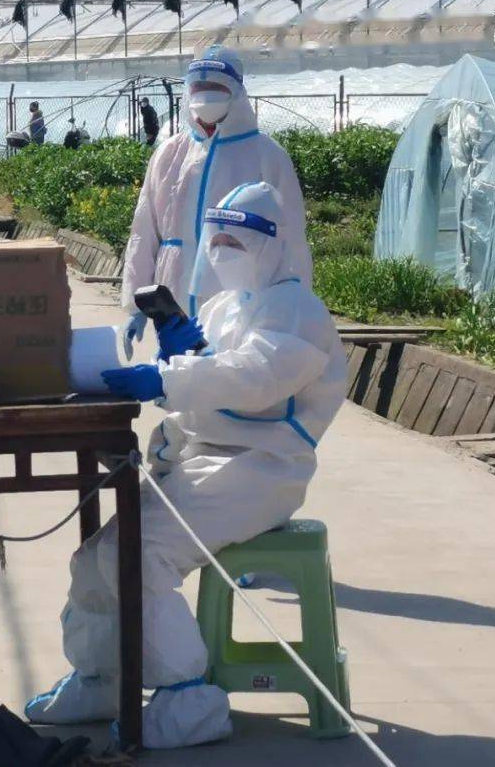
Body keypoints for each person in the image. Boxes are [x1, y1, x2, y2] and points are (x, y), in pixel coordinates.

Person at [26, 182, 347, 750]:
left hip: (261, 469)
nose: (222, 251)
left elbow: (254, 378)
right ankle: (102, 680)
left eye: (237, 241)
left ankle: (190, 700)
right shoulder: (226, 308)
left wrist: (169, 376)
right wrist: (183, 358)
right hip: (203, 463)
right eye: (216, 239)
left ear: (273, 245)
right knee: (94, 559)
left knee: (143, 556)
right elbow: (211, 380)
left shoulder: (300, 312)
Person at [120, 45, 308, 345]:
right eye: (199, 87)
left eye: (215, 87)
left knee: (228, 372)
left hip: (238, 293)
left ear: (236, 91)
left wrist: (294, 305)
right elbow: (144, 230)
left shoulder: (266, 155)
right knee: (176, 376)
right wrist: (137, 303)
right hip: (173, 292)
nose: (205, 95)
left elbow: (292, 238)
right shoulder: (169, 153)